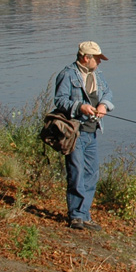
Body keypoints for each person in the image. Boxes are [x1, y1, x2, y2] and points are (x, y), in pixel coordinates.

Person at [53, 41, 115, 231]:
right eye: (97, 58)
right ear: (85, 58)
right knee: (77, 172)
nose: (99, 62)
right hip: (75, 132)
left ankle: (85, 214)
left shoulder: (98, 76)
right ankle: (76, 216)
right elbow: (60, 100)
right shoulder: (67, 74)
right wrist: (80, 107)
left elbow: (108, 93)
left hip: (92, 132)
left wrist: (104, 105)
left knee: (91, 174)